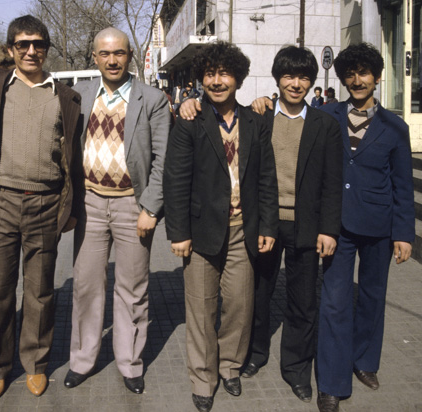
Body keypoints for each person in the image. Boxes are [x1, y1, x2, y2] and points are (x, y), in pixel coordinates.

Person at [163, 41, 278, 412]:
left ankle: (229, 366)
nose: (216, 81)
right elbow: (175, 179)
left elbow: (266, 179)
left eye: (224, 73)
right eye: (210, 73)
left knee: (239, 305)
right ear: (201, 78)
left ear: (238, 78)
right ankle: (202, 377)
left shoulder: (256, 121)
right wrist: (178, 233)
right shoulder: (190, 120)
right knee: (200, 308)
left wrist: (268, 226)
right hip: (199, 233)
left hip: (244, 228)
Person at [0, 15, 81, 401]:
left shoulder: (65, 95)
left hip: (46, 204)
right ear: (11, 49)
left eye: (38, 44)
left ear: (47, 49)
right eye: (22, 44)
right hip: (1, 203)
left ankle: (36, 365)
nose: (31, 51)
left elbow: (74, 156)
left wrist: (71, 205)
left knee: (39, 292)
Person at [63, 27, 169, 395]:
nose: (112, 60)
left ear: (130, 56)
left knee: (133, 289)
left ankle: (130, 363)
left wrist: (151, 207)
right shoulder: (80, 94)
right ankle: (82, 360)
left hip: (131, 205)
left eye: (119, 53)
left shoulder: (152, 99)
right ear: (94, 57)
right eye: (105, 54)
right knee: (87, 286)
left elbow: (162, 160)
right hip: (90, 202)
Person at [315, 43, 415, 412]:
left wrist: (404, 234)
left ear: (376, 77)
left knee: (372, 299)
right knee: (335, 302)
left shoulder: (395, 127)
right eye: (350, 74)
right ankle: (331, 381)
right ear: (342, 78)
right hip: (335, 226)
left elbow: (403, 184)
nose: (357, 80)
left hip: (379, 224)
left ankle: (364, 361)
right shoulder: (326, 115)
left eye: (364, 73)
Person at [240, 46, 343, 404]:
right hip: (266, 222)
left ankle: (297, 368)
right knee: (258, 293)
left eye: (303, 77)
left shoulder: (325, 125)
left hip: (306, 225)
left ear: (311, 82)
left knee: (302, 301)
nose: (295, 84)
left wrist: (329, 229)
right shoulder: (259, 118)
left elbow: (332, 181)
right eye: (288, 76)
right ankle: (254, 354)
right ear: (277, 78)